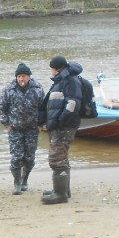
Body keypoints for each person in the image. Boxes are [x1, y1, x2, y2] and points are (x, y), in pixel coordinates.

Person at [37, 54, 83, 204]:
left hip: (64, 127)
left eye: (51, 68)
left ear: (55, 68)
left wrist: (59, 121)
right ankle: (63, 190)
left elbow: (73, 104)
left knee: (57, 160)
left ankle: (60, 194)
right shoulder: (61, 81)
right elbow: (50, 104)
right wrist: (43, 121)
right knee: (62, 158)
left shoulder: (70, 81)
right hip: (58, 127)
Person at [0, 62, 45, 195]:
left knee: (29, 158)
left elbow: (43, 108)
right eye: (19, 76)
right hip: (15, 130)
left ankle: (24, 180)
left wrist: (41, 124)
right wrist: (6, 123)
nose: (21, 79)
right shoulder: (9, 90)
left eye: (23, 76)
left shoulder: (37, 89)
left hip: (32, 130)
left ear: (29, 76)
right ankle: (17, 183)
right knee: (16, 158)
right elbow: (0, 108)